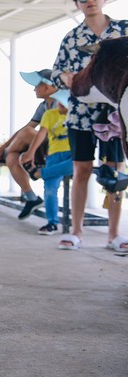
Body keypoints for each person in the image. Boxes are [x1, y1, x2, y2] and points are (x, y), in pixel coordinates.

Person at [52, 0, 128, 251]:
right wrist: (64, 76)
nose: (90, 2)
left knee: (115, 171)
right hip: (80, 114)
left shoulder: (123, 29)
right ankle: (76, 232)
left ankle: (115, 234)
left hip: (116, 115)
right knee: (81, 170)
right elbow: (55, 74)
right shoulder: (71, 37)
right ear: (76, 4)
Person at [0, 69, 59, 219]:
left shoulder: (61, 103)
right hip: (42, 145)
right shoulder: (44, 106)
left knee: (28, 133)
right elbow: (25, 128)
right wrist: (3, 147)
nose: (34, 89)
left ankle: (1, 155)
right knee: (12, 157)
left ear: (48, 86)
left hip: (57, 147)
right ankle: (32, 198)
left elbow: (29, 131)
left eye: (36, 85)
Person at [20, 89, 73, 235]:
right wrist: (31, 152)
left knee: (75, 165)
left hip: (72, 155)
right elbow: (41, 134)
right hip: (54, 155)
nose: (60, 105)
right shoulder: (49, 114)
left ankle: (39, 173)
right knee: (50, 191)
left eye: (64, 102)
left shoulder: (76, 114)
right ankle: (52, 223)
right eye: (59, 101)